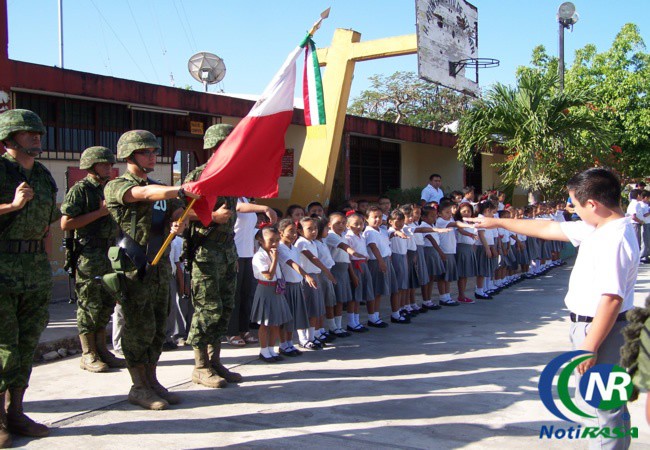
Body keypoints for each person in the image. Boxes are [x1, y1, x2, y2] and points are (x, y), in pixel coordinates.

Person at [467, 168, 639, 450]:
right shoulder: (601, 227)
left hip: (602, 329)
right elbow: (548, 228)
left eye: (575, 203)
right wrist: (497, 223)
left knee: (603, 409)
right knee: (608, 407)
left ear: (593, 204)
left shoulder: (614, 238)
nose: (572, 209)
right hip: (595, 327)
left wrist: (588, 345)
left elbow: (611, 298)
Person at [104, 129, 191, 410]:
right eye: (146, 152)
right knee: (137, 329)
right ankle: (138, 386)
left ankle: (152, 380)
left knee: (156, 329)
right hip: (134, 267)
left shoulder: (161, 187)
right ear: (129, 156)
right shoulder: (117, 186)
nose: (153, 156)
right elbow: (142, 193)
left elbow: (176, 211)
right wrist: (178, 190)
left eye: (155, 152)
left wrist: (179, 220)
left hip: (160, 267)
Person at [0, 109, 61, 444]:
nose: (36, 138)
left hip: (34, 269)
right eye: (28, 133)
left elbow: (47, 223)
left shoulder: (41, 174)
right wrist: (11, 205)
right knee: (4, 347)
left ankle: (16, 412)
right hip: (2, 269)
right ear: (9, 139)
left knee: (26, 346)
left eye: (38, 133)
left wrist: (49, 265)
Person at [184, 123, 243, 389]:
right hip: (206, 252)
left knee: (223, 309)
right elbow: (180, 213)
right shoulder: (198, 176)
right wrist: (212, 217)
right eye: (226, 144)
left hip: (227, 251)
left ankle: (214, 360)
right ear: (214, 147)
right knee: (207, 310)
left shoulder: (232, 177)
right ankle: (200, 366)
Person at [60, 146, 126, 373]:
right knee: (89, 304)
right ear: (91, 166)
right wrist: (100, 213)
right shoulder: (81, 190)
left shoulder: (108, 189)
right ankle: (88, 353)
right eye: (104, 164)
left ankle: (102, 349)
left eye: (110, 164)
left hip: (108, 253)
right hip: (89, 254)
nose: (109, 167)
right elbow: (66, 223)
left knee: (106, 302)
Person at [227, 197, 276, 347]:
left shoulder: (245, 198)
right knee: (234, 295)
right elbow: (238, 208)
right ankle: (231, 331)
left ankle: (243, 329)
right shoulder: (231, 198)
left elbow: (248, 229)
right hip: (234, 254)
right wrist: (264, 208)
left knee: (246, 294)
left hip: (248, 254)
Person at [250, 225, 293, 363]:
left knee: (276, 322)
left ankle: (271, 348)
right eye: (271, 240)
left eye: (277, 240)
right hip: (265, 289)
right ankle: (263, 350)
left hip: (277, 289)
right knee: (265, 323)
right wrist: (274, 259)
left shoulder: (274, 252)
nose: (274, 244)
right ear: (261, 241)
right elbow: (268, 275)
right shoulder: (259, 256)